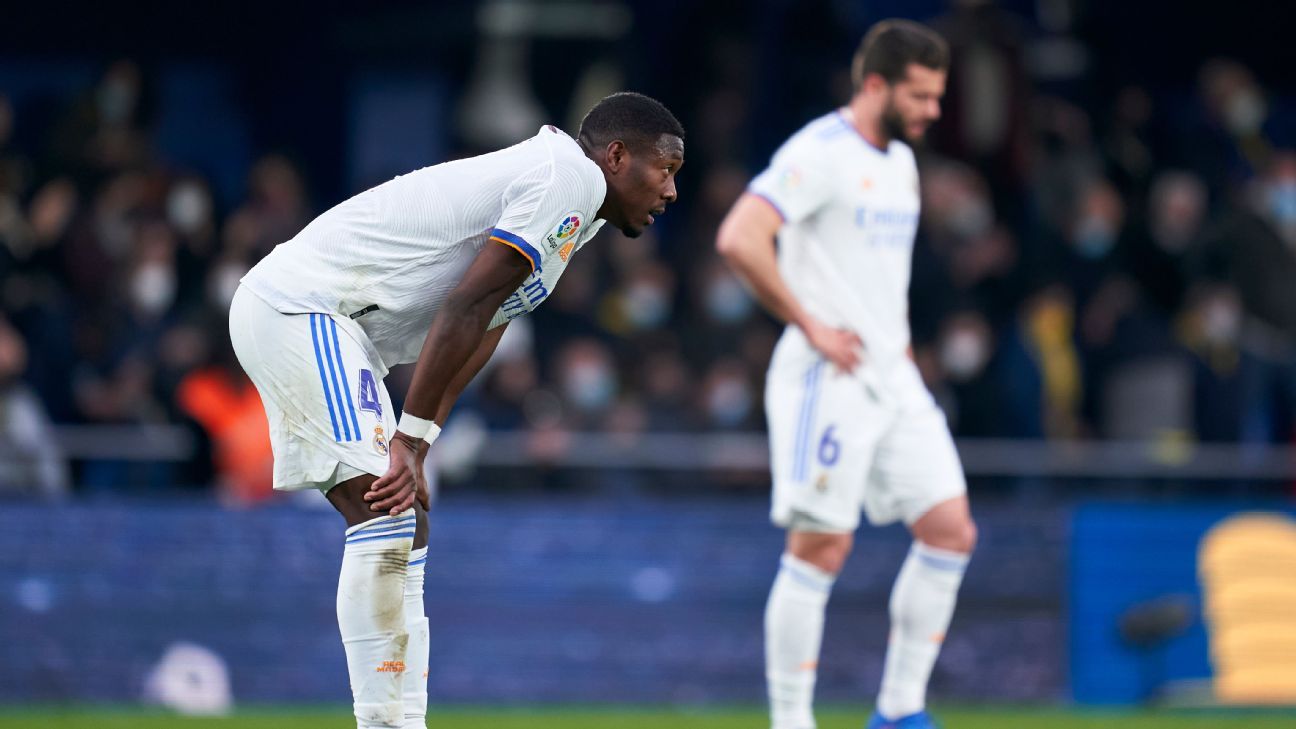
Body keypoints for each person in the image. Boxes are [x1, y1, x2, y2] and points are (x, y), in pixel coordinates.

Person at [229, 92, 684, 729]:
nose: (670, 192)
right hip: (304, 310)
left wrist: (424, 435)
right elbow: (464, 307)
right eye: (665, 170)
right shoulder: (568, 179)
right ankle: (386, 723)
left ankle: (402, 718)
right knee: (386, 513)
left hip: (334, 326)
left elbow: (492, 318)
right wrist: (410, 444)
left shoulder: (581, 206)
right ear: (616, 156)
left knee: (406, 520)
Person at [716, 21, 975, 729]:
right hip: (826, 376)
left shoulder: (900, 161)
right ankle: (792, 720)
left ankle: (899, 710)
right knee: (821, 546)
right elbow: (740, 235)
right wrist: (811, 323)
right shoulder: (819, 153)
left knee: (951, 528)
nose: (931, 111)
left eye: (937, 96)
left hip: (892, 376)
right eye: (920, 96)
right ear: (875, 85)